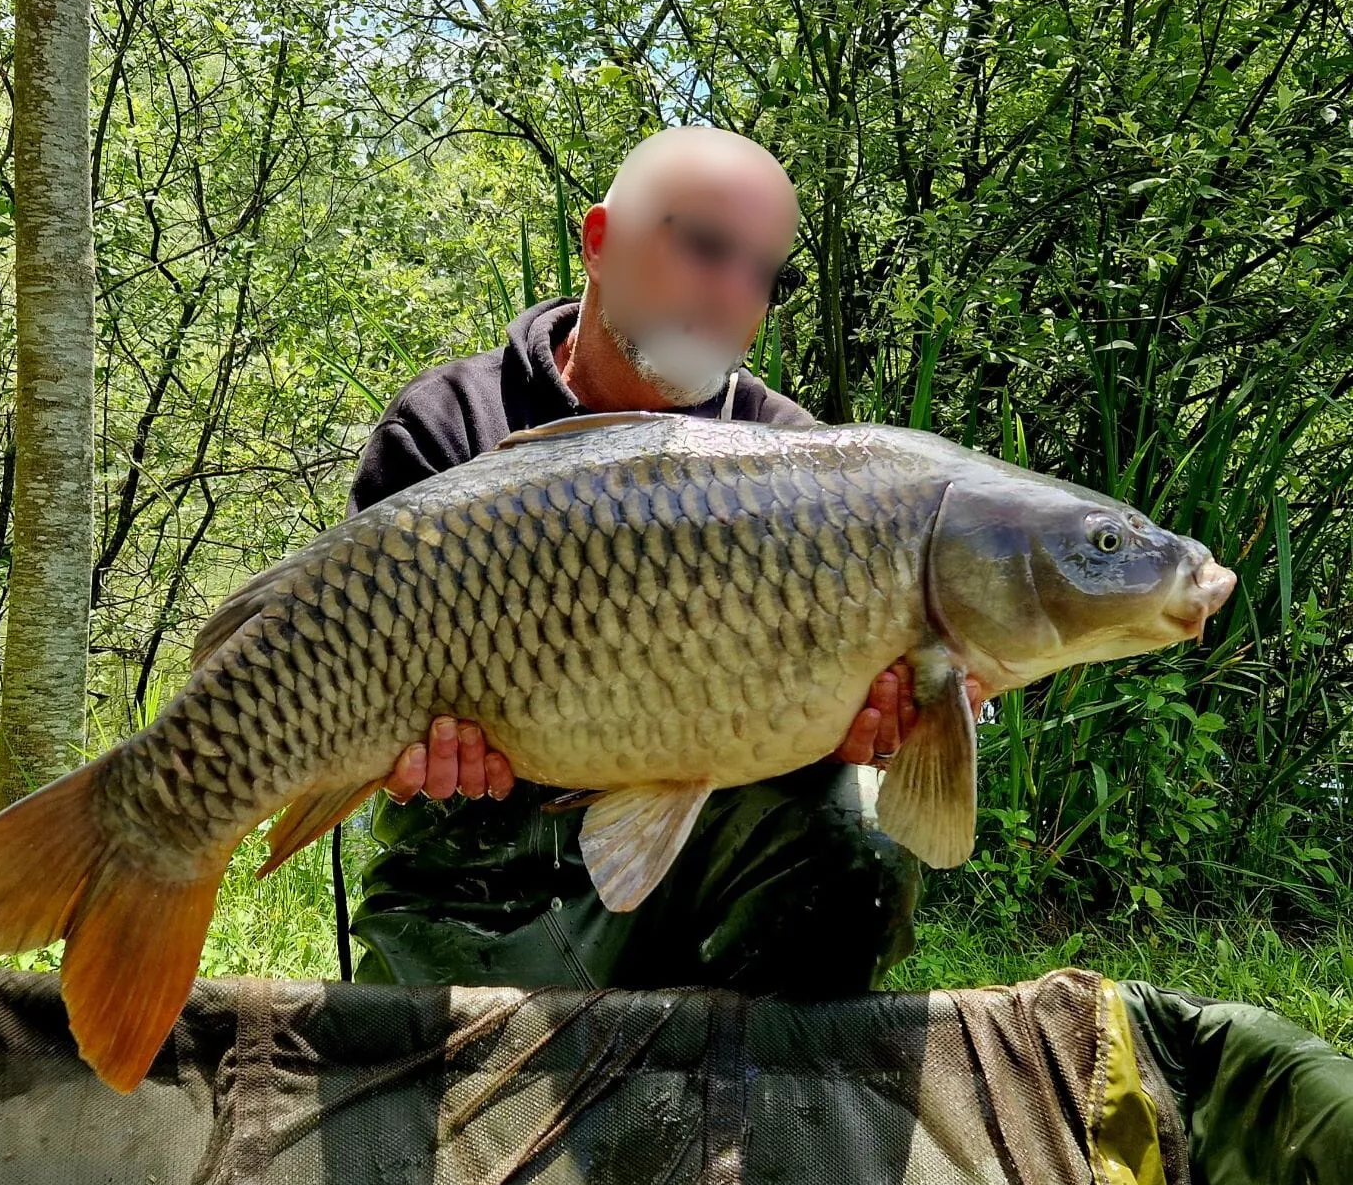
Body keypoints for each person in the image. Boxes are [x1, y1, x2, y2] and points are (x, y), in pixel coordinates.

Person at [342, 125, 980, 995]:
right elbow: (358, 693)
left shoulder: (799, 463)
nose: (733, 294)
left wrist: (877, 729)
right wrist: (421, 763)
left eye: (765, 273)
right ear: (598, 242)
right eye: (707, 247)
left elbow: (841, 724)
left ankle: (743, 1089)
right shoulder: (449, 425)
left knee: (858, 846)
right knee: (453, 1103)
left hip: (700, 845)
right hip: (484, 859)